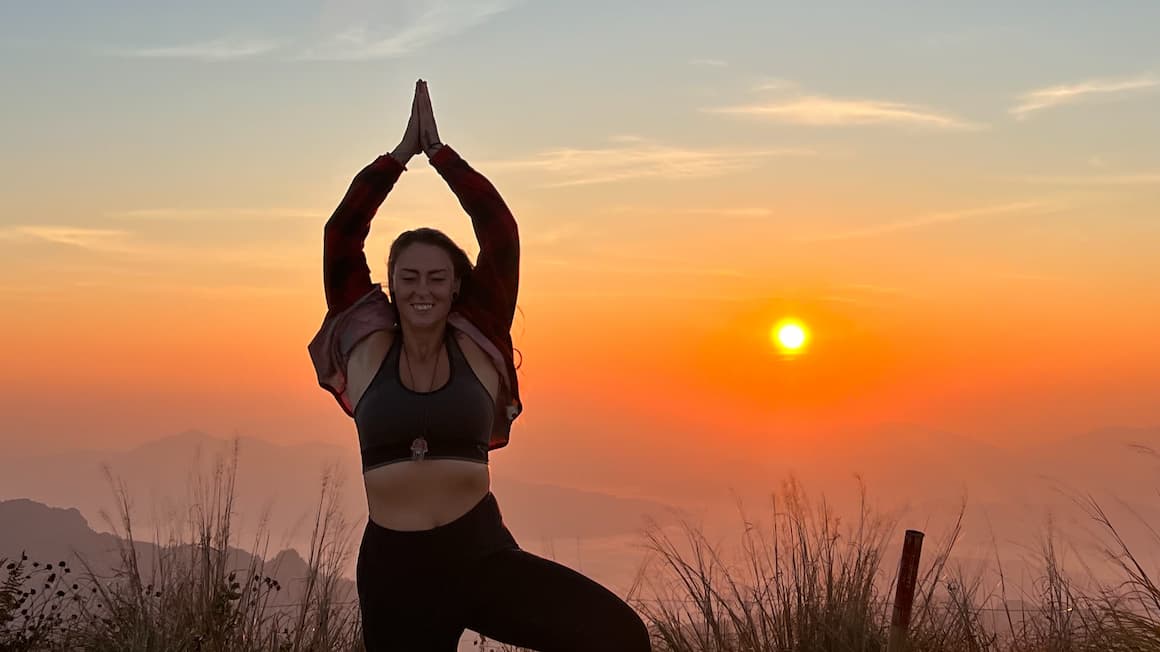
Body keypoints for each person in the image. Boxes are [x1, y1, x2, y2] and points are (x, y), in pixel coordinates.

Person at [307, 79, 652, 651]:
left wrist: (440, 155)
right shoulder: (366, 349)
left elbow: (500, 233)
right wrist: (396, 159)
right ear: (389, 285)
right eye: (409, 277)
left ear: (456, 285)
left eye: (437, 277)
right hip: (395, 570)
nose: (423, 290)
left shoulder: (477, 340)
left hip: (479, 553)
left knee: (617, 636)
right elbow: (341, 235)